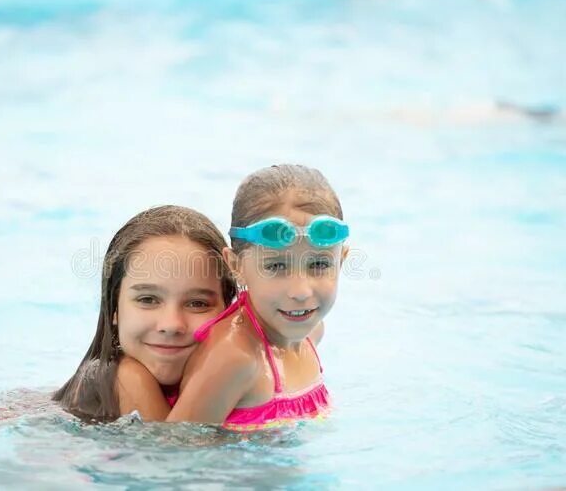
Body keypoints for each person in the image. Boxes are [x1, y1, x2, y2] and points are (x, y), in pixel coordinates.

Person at [165, 164, 349, 431]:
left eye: (319, 265)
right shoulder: (235, 358)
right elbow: (170, 453)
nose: (301, 291)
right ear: (236, 266)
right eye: (276, 266)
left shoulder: (311, 334)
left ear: (341, 262)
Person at [52, 205, 236, 422]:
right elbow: (174, 452)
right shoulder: (128, 378)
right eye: (148, 300)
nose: (172, 324)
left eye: (197, 303)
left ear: (228, 310)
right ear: (115, 309)